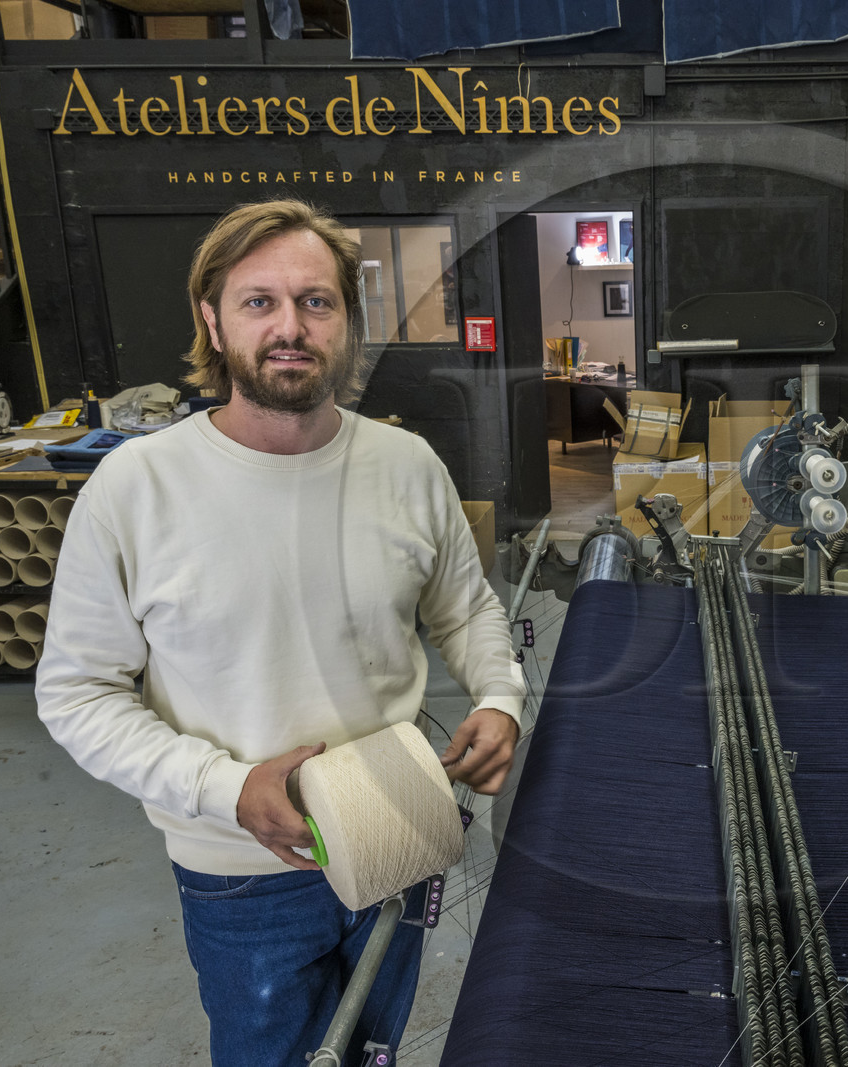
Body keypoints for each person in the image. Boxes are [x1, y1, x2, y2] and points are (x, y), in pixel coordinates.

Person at [35, 198, 525, 1066]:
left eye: (317, 301)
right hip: (242, 871)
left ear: (348, 321)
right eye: (258, 301)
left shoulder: (406, 465)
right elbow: (77, 692)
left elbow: (465, 605)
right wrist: (225, 788)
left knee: (373, 1048)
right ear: (212, 321)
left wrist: (500, 696)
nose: (290, 326)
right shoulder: (134, 489)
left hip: (398, 826)